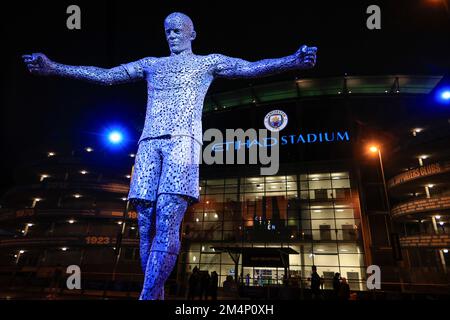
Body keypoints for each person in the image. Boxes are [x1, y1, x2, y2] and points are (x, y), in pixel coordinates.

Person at [22, 12, 317, 300]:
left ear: (192, 33)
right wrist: (55, 67)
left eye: (178, 30)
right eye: (168, 31)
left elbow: (250, 67)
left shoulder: (207, 63)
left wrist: (292, 60)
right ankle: (154, 293)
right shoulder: (152, 65)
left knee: (166, 216)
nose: (172, 36)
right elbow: (107, 76)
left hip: (182, 142)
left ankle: (147, 296)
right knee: (145, 222)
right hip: (148, 142)